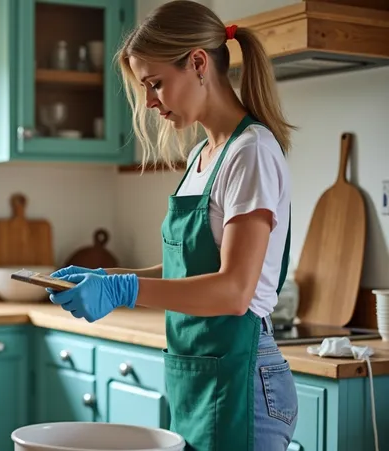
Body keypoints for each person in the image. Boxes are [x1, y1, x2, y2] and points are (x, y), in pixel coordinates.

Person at [48, 1, 298, 450]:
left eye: (156, 83)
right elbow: (188, 271)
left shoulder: (251, 152)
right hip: (202, 374)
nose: (149, 103)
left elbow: (234, 290)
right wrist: (109, 278)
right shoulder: (204, 155)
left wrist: (125, 292)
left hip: (242, 376)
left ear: (198, 63)